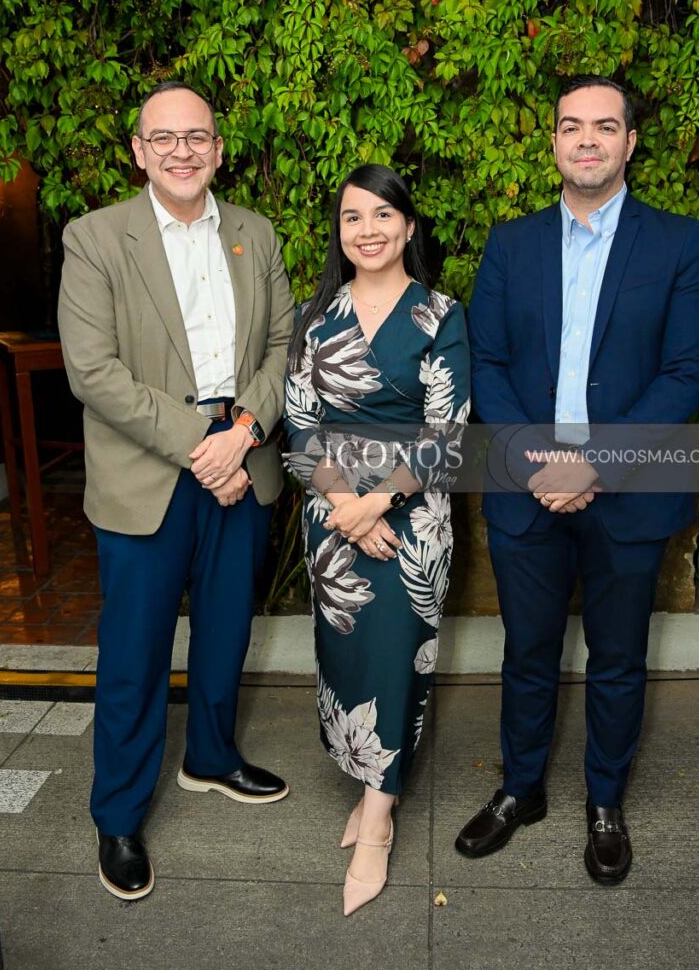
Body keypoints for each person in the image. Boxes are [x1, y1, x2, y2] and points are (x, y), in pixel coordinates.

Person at [457, 75, 699, 884]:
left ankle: (605, 801)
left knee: (616, 656)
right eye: (571, 126)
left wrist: (594, 464)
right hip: (528, 491)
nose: (587, 141)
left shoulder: (679, 243)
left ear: (630, 142)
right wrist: (542, 463)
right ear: (554, 143)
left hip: (630, 494)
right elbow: (487, 362)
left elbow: (685, 372)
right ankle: (520, 789)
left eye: (604, 127)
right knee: (527, 650)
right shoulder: (511, 243)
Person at [58, 82, 295, 900]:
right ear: (138, 151)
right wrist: (207, 445)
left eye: (197, 137)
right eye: (164, 139)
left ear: (220, 149)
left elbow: (282, 345)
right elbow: (93, 372)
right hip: (150, 474)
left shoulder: (254, 234)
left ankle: (213, 758)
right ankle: (118, 815)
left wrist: (247, 432)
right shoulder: (95, 238)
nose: (183, 151)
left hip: (245, 460)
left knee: (227, 632)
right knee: (135, 653)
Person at [284, 164, 470, 915]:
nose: (368, 229)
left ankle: (379, 821)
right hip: (331, 517)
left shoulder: (440, 314)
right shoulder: (314, 314)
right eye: (353, 216)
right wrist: (342, 504)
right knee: (346, 651)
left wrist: (377, 503)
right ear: (340, 230)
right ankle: (366, 785)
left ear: (409, 227)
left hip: (411, 516)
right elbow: (299, 425)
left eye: (383, 215)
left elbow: (447, 430)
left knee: (397, 658)